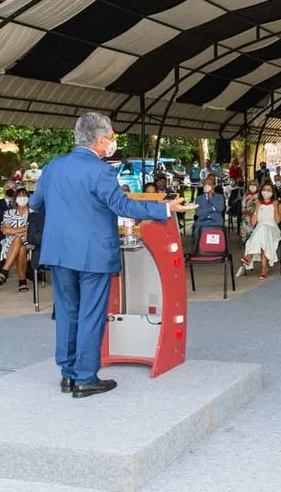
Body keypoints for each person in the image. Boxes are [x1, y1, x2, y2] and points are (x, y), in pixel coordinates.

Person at [29, 112, 195, 398]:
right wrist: (165, 209)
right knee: (91, 313)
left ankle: (67, 375)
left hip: (58, 252)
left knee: (67, 313)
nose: (114, 142)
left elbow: (36, 202)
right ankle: (85, 378)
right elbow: (123, 206)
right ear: (101, 139)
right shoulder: (100, 170)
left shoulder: (53, 166)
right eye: (113, 136)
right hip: (93, 253)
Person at [237, 183, 281, 280]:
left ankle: (249, 255)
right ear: (261, 191)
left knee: (263, 230)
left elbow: (278, 221)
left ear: (272, 192)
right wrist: (257, 208)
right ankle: (263, 268)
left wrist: (275, 208)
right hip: (260, 230)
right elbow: (253, 222)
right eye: (264, 189)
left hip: (272, 229)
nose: (266, 192)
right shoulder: (258, 203)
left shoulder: (277, 204)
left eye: (269, 190)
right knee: (262, 235)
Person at [0, 188, 33, 292]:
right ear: (15, 199)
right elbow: (6, 231)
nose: (22, 198)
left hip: (30, 241)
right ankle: (22, 281)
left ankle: (5, 270)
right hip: (10, 243)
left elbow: (31, 231)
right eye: (19, 196)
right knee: (20, 247)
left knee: (18, 239)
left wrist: (14, 230)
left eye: (24, 196)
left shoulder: (33, 213)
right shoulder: (8, 213)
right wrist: (24, 229)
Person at [0, 180, 18, 258]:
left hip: (19, 232)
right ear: (4, 189)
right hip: (1, 233)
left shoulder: (21, 204)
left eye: (14, 188)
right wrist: (7, 230)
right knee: (2, 243)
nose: (11, 190)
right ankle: (3, 266)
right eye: (8, 187)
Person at [192, 174, 225, 243]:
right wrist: (212, 209)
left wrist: (211, 197)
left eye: (209, 184)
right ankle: (198, 250)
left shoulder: (219, 196)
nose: (207, 186)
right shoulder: (199, 198)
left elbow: (220, 208)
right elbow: (198, 213)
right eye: (205, 184)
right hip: (202, 222)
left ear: (213, 186)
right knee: (197, 233)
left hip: (216, 222)